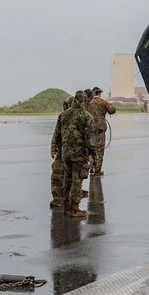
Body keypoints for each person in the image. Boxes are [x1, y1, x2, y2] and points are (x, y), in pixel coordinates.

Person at [52, 90, 96, 218]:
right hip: (79, 154)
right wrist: (94, 154)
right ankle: (74, 209)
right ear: (84, 100)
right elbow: (90, 139)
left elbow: (57, 133)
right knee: (77, 181)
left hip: (65, 154)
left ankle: (66, 206)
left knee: (67, 180)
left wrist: (53, 147)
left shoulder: (63, 115)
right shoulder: (86, 116)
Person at [85, 87, 117, 176]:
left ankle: (91, 168)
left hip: (90, 128)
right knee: (99, 150)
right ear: (99, 93)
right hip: (100, 129)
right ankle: (97, 170)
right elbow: (112, 110)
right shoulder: (102, 102)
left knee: (91, 148)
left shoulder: (88, 102)